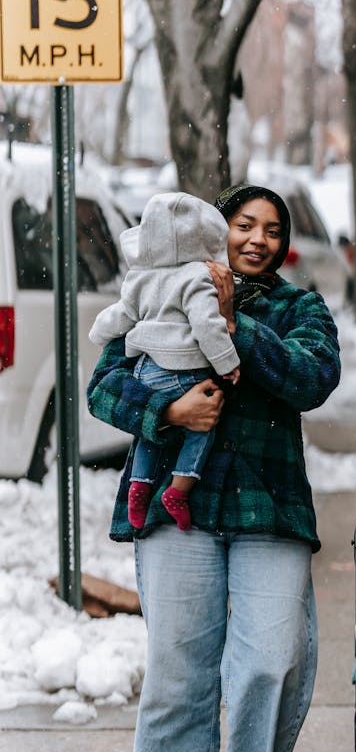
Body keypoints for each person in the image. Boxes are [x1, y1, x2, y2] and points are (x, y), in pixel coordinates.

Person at [87, 184, 340, 752]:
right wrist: (168, 407)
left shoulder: (297, 307)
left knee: (269, 659)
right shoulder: (160, 287)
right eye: (243, 224)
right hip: (177, 509)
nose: (257, 238)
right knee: (181, 668)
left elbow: (313, 377)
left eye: (271, 229)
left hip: (269, 508)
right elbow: (103, 385)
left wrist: (234, 323)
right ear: (216, 229)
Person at [89, 192, 241, 533]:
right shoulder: (197, 277)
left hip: (146, 370)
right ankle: (179, 490)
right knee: (203, 427)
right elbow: (207, 325)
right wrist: (226, 362)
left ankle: (140, 485)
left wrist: (98, 333)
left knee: (149, 433)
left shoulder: (140, 278)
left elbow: (120, 315)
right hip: (184, 371)